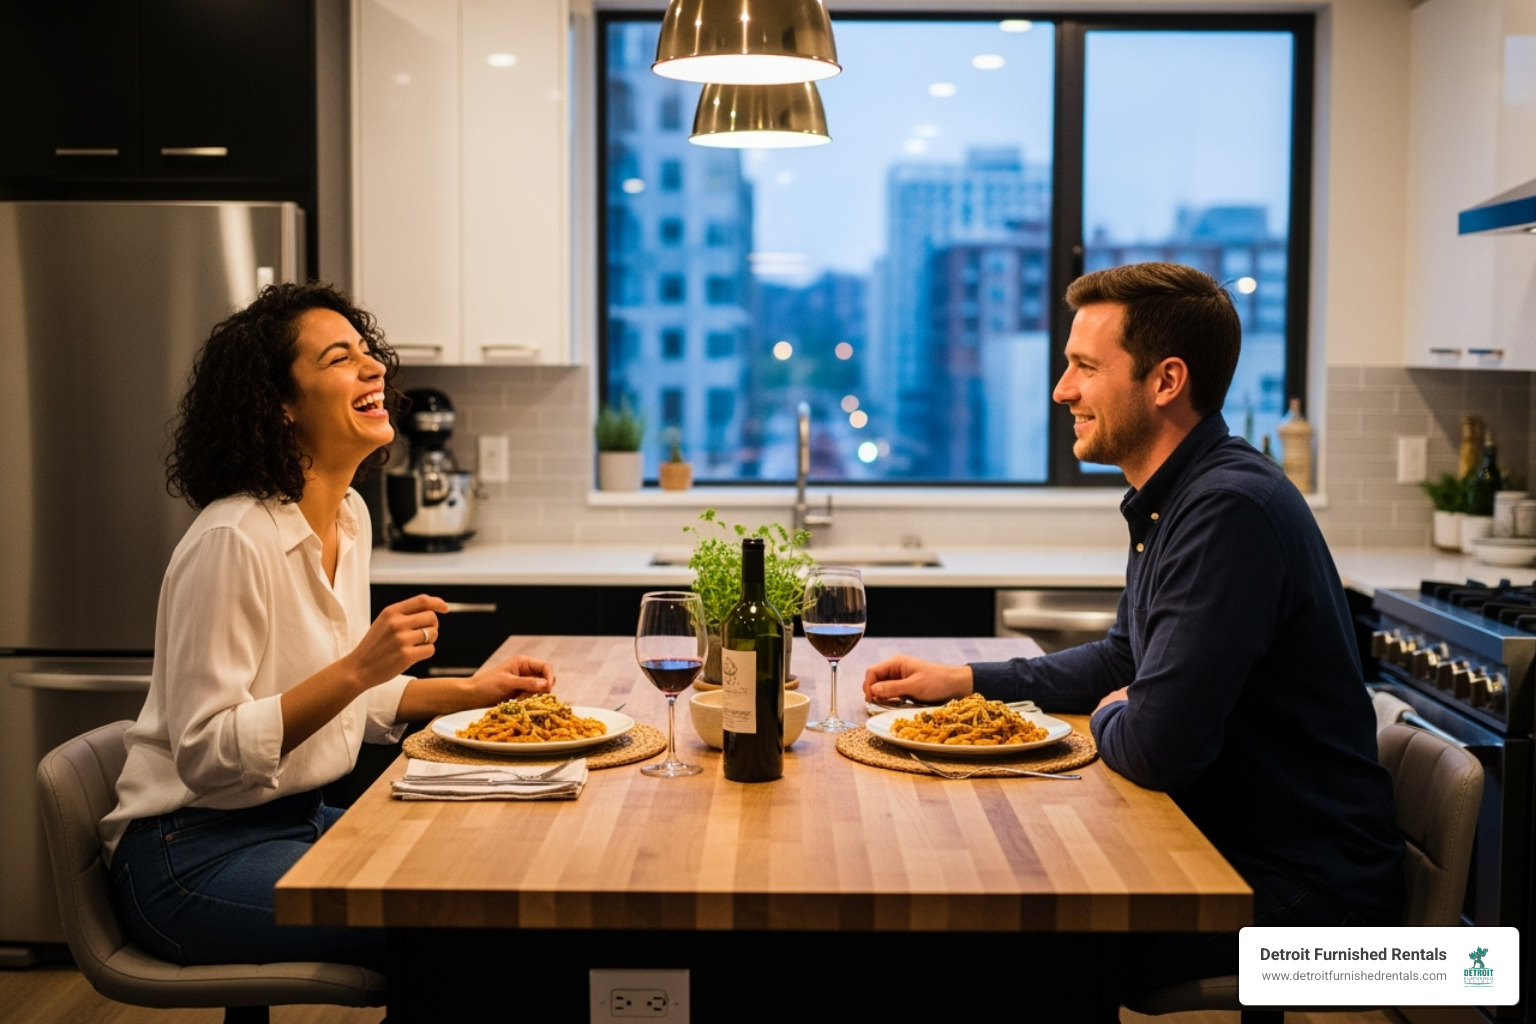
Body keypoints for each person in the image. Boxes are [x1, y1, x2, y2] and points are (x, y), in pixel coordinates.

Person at [863, 262, 1403, 1005]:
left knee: (1011, 939)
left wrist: (1119, 712)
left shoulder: (1227, 511)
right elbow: (1125, 658)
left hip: (1309, 902)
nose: (1063, 390)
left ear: (1166, 381)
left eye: (1085, 367)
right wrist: (968, 683)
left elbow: (1155, 748)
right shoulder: (1180, 495)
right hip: (1237, 851)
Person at [100, 282, 556, 970]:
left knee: (490, 880)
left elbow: (337, 699)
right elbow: (206, 752)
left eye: (367, 351)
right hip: (187, 856)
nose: (374, 366)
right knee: (453, 928)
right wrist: (359, 667)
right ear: (279, 405)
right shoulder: (234, 538)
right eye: (340, 358)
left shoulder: (349, 518)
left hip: (297, 821)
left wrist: (474, 692)